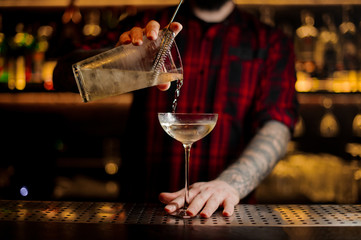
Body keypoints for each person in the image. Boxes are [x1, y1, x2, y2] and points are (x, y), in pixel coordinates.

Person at [116, 0, 298, 218]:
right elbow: (67, 71)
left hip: (225, 215)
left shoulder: (271, 42)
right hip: (141, 211)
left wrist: (230, 184)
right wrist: (112, 63)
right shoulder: (147, 28)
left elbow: (277, 125)